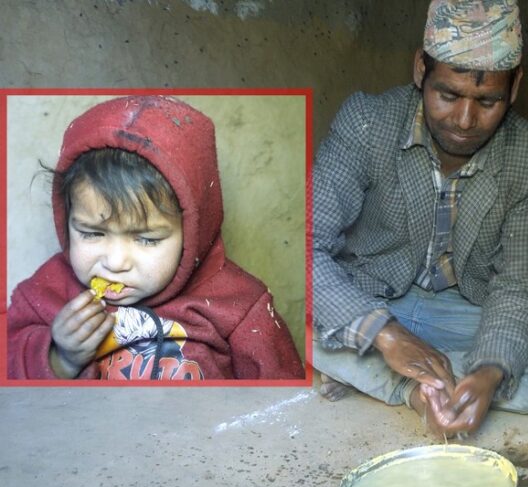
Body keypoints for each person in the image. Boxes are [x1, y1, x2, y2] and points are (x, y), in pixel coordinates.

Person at [312, 0, 528, 437]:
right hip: (374, 296)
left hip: (467, 309)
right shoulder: (367, 123)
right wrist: (384, 334)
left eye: (487, 101)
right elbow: (306, 246)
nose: (464, 120)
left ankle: (406, 380)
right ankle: (412, 387)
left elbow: (520, 283)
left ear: (514, 88)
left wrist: (490, 371)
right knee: (280, 310)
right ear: (421, 69)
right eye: (448, 94)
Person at [7, 96, 306, 380]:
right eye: (92, 233)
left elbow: (282, 399)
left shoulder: (239, 307)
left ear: (193, 234)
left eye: (147, 239)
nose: (115, 263)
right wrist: (61, 359)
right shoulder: (46, 294)